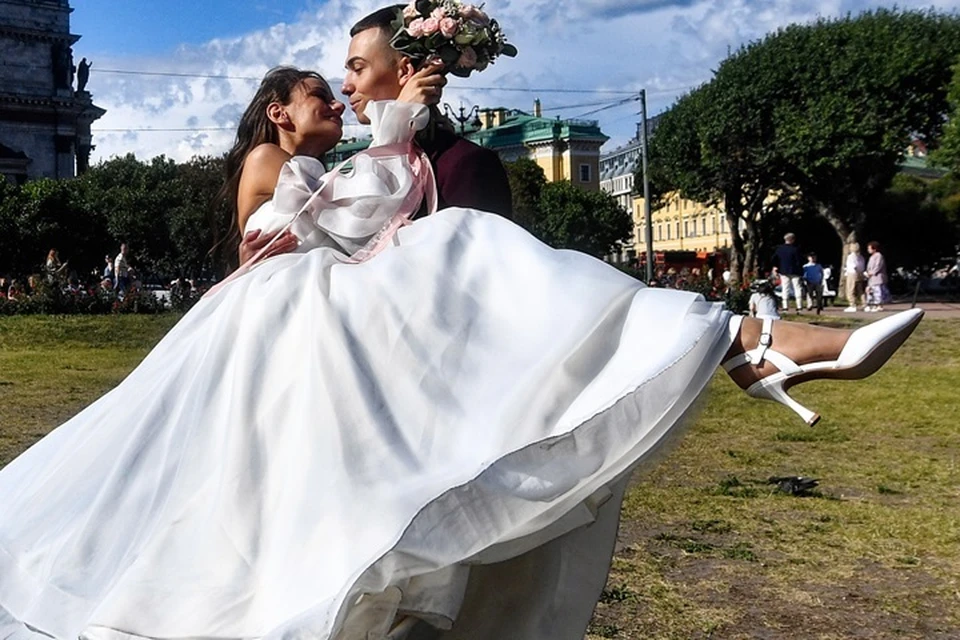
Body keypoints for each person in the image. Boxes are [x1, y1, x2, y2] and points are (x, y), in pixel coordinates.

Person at [0, 67, 924, 640]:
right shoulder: (269, 165)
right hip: (280, 318)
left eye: (338, 85)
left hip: (308, 315)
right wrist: (394, 132)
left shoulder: (315, 163)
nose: (332, 97)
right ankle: (744, 343)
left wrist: (394, 138)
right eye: (317, 93)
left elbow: (369, 209)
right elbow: (319, 225)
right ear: (277, 114)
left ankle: (743, 342)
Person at [772, 232, 803, 313]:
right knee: (797, 288)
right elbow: (800, 260)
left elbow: (775, 259)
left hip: (783, 271)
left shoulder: (780, 249)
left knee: (785, 288)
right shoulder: (796, 249)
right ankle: (799, 306)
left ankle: (785, 306)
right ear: (792, 240)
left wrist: (776, 267)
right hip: (795, 271)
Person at [865, 240, 890, 312]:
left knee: (878, 292)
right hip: (871, 278)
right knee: (872, 291)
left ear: (874, 248)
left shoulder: (879, 256)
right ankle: (875, 305)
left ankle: (879, 305)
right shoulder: (871, 257)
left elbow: (878, 266)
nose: (868, 250)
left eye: (869, 248)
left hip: (877, 277)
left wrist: (872, 273)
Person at [843, 242, 866, 312]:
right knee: (860, 290)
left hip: (852, 273)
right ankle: (865, 304)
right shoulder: (861, 257)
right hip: (860, 273)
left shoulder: (851, 256)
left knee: (850, 289)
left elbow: (853, 266)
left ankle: (852, 304)